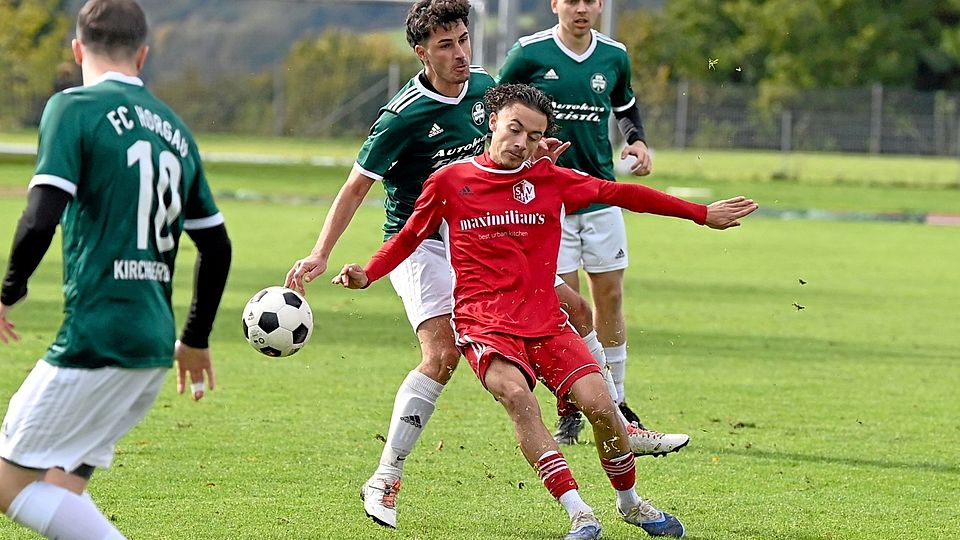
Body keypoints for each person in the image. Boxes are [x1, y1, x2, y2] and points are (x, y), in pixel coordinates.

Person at [283, 0, 683, 529]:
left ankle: (612, 416)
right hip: (420, 241)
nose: (460, 53)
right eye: (445, 45)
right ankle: (384, 476)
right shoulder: (404, 115)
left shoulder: (485, 90)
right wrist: (321, 252)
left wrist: (539, 161)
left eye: (464, 39)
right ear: (421, 52)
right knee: (442, 355)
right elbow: (358, 186)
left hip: (480, 235)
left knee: (576, 307)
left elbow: (507, 153)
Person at [333, 83, 757, 539]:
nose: (522, 144)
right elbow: (408, 238)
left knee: (601, 405)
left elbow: (624, 195)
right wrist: (368, 273)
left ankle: (630, 504)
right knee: (518, 398)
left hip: (546, 321)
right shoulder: (450, 182)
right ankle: (579, 513)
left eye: (534, 137)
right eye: (515, 129)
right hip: (484, 324)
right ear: (491, 121)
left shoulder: (550, 180)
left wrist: (700, 213)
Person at [0, 1, 232, 539]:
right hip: (153, 346)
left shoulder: (72, 107)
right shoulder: (175, 128)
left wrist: (8, 290)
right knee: (61, 490)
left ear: (78, 49)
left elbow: (40, 219)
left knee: (9, 484)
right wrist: (194, 338)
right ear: (143, 54)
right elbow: (216, 246)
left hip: (96, 339)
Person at [498, 0, 658, 444]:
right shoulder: (529, 53)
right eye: (572, 0)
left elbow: (626, 107)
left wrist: (637, 141)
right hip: (547, 201)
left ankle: (617, 399)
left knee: (609, 296)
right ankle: (569, 404)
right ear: (555, 4)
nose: (581, 8)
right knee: (564, 305)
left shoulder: (614, 55)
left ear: (600, 4)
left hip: (599, 195)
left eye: (590, 0)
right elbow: (494, 111)